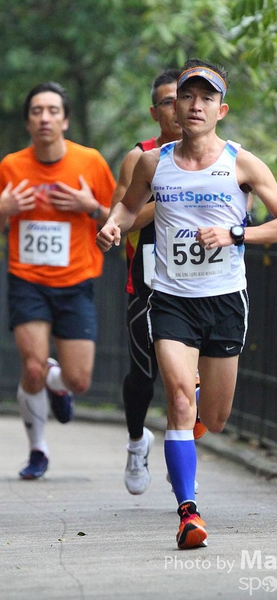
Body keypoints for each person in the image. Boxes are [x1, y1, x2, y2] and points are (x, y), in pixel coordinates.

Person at [96, 58, 277, 549]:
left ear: (221, 110)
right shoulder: (154, 163)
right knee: (179, 401)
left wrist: (235, 234)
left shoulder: (242, 163)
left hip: (225, 300)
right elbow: (128, 205)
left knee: (215, 414)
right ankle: (188, 513)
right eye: (186, 96)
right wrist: (112, 225)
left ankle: (193, 427)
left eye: (206, 98)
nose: (194, 105)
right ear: (174, 106)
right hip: (171, 299)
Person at [0, 81, 116, 480]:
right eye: (37, 111)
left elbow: (120, 219)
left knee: (79, 381)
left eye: (53, 111)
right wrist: (4, 208)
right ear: (28, 122)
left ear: (65, 120)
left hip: (76, 280)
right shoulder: (10, 166)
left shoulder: (91, 162)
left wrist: (91, 206)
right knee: (31, 368)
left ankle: (58, 380)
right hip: (27, 278)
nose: (45, 118)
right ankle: (37, 450)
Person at [110, 69, 184, 495]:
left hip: (196, 282)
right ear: (155, 112)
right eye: (168, 101)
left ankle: (179, 452)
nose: (179, 108)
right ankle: (137, 440)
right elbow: (119, 220)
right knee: (145, 373)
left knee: (183, 379)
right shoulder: (140, 158)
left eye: (185, 98)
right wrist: (170, 198)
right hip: (147, 279)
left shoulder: (217, 159)